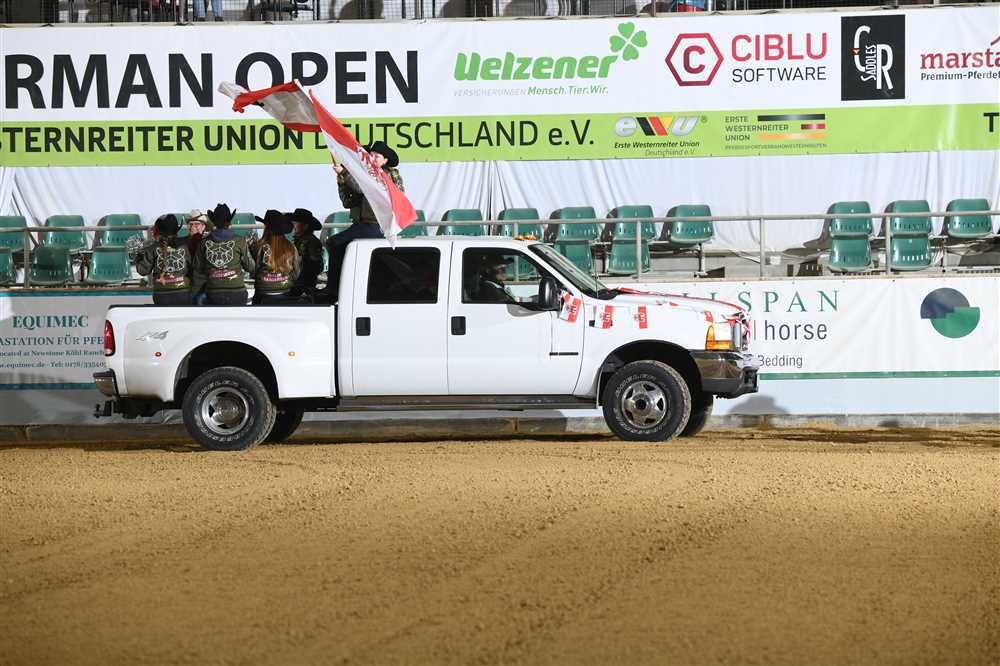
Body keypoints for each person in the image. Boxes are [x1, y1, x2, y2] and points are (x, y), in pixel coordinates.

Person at [323, 141, 403, 300]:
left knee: (335, 243)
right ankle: (339, 288)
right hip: (363, 224)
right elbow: (349, 202)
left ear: (385, 160)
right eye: (370, 155)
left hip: (376, 224)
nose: (371, 158)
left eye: (376, 156)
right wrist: (342, 182)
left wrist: (345, 174)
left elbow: (363, 188)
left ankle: (334, 289)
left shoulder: (384, 176)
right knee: (339, 245)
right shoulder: (369, 175)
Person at [191, 203, 254, 306]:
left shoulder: (204, 242)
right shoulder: (240, 241)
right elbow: (250, 267)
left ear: (214, 222)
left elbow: (198, 268)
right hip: (236, 292)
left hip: (213, 293)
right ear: (229, 222)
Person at [135, 214, 192, 306]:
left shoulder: (152, 248)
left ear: (158, 231)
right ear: (177, 230)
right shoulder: (186, 246)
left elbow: (143, 270)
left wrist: (138, 256)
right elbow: (193, 267)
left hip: (161, 293)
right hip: (183, 292)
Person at [249, 210, 300, 305]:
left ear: (266, 228)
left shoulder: (257, 246)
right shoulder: (290, 246)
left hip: (262, 293)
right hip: (284, 292)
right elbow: (296, 272)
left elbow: (252, 270)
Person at [288, 208, 324, 300]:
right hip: (297, 284)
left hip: (303, 286)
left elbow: (317, 266)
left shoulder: (312, 242)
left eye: (296, 223)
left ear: (305, 226)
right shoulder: (298, 240)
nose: (293, 225)